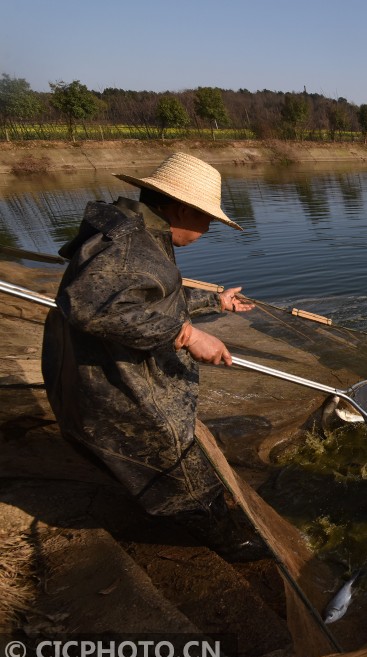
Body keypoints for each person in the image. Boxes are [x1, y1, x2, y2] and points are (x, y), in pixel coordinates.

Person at [41, 152, 267, 561]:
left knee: (155, 468)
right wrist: (186, 333)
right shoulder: (131, 246)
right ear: (181, 207)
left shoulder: (138, 232)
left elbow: (145, 297)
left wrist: (213, 302)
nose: (207, 229)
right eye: (206, 220)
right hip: (118, 394)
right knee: (187, 478)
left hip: (101, 381)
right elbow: (92, 308)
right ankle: (234, 545)